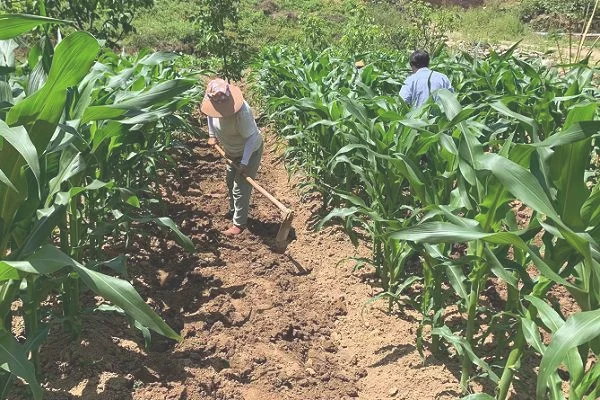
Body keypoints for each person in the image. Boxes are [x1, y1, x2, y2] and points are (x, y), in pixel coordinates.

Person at [201, 78, 264, 237]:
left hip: (249, 152)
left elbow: (250, 138)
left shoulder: (242, 112)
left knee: (240, 187)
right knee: (230, 181)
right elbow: (210, 114)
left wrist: (244, 162)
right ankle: (233, 210)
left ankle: (239, 223)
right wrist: (211, 135)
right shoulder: (213, 104)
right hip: (231, 151)